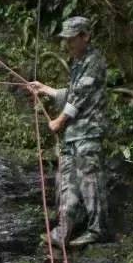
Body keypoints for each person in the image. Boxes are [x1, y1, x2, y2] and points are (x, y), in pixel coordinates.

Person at [33, 15, 109, 247]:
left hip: (87, 132)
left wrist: (59, 120)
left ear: (85, 36)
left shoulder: (93, 61)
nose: (67, 44)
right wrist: (45, 89)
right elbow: (71, 92)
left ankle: (97, 231)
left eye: (71, 39)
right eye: (65, 40)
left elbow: (80, 96)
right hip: (72, 135)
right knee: (66, 181)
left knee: (89, 179)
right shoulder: (78, 63)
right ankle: (63, 231)